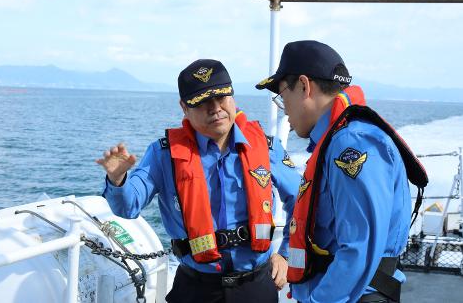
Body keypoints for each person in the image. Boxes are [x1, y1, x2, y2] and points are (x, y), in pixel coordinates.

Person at [96, 59, 299, 303]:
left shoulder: (267, 148)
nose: (215, 108)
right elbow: (127, 207)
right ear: (184, 107)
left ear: (232, 96)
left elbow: (300, 200)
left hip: (256, 286)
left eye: (221, 97)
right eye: (202, 102)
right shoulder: (164, 155)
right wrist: (117, 179)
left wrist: (287, 255)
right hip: (195, 288)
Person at [256, 41, 427, 303]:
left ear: (304, 86)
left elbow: (359, 248)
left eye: (282, 96)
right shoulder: (336, 141)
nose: (284, 109)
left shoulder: (351, 143)